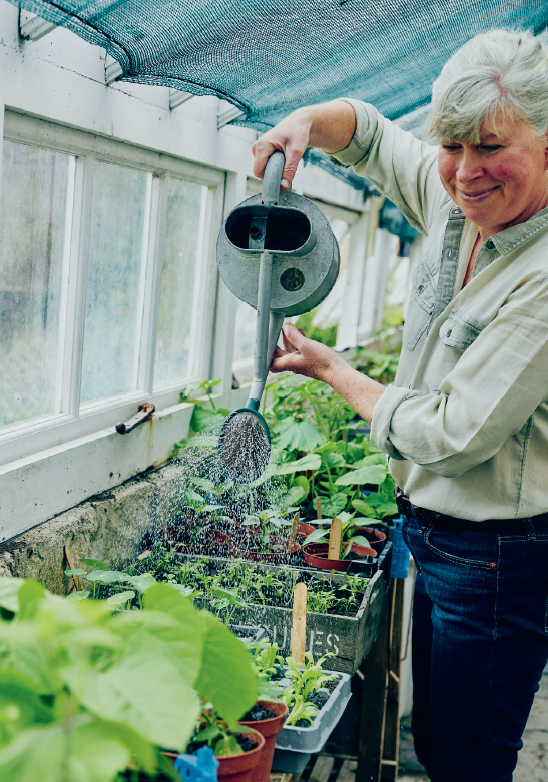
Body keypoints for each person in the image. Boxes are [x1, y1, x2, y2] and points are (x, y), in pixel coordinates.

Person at [252, 29, 548, 782]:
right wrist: (308, 125)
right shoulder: (455, 194)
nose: (463, 172)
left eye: (488, 147)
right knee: (443, 741)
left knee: (467, 756)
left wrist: (331, 371)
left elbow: (453, 435)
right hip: (437, 531)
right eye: (450, 145)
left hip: (499, 557)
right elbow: (375, 137)